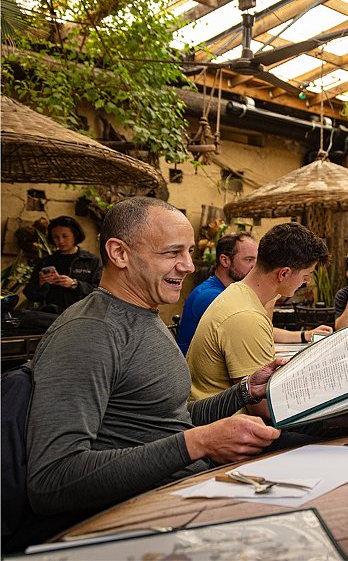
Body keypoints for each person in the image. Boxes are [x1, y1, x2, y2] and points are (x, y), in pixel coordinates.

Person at [26, 197, 284, 540]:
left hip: (190, 492)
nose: (189, 266)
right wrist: (197, 444)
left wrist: (245, 391)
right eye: (172, 253)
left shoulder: (145, 315)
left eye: (190, 252)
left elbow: (169, 418)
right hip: (146, 521)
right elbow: (52, 479)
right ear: (120, 254)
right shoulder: (90, 332)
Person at [186, 222, 329, 411]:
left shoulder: (239, 294)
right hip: (230, 428)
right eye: (307, 274)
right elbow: (264, 409)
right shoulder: (246, 316)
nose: (307, 281)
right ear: (284, 273)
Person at [175, 233, 329, 355]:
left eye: (257, 259)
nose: (255, 266)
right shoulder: (212, 296)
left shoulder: (235, 294)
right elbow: (257, 332)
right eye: (248, 259)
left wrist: (305, 335)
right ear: (224, 260)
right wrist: (271, 297)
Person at [23, 216, 102, 314]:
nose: (60, 241)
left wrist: (74, 284)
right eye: (56, 237)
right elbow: (30, 295)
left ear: (75, 235)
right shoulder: (45, 262)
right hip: (50, 318)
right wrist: (40, 283)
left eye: (65, 236)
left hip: (80, 316)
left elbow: (101, 293)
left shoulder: (91, 261)